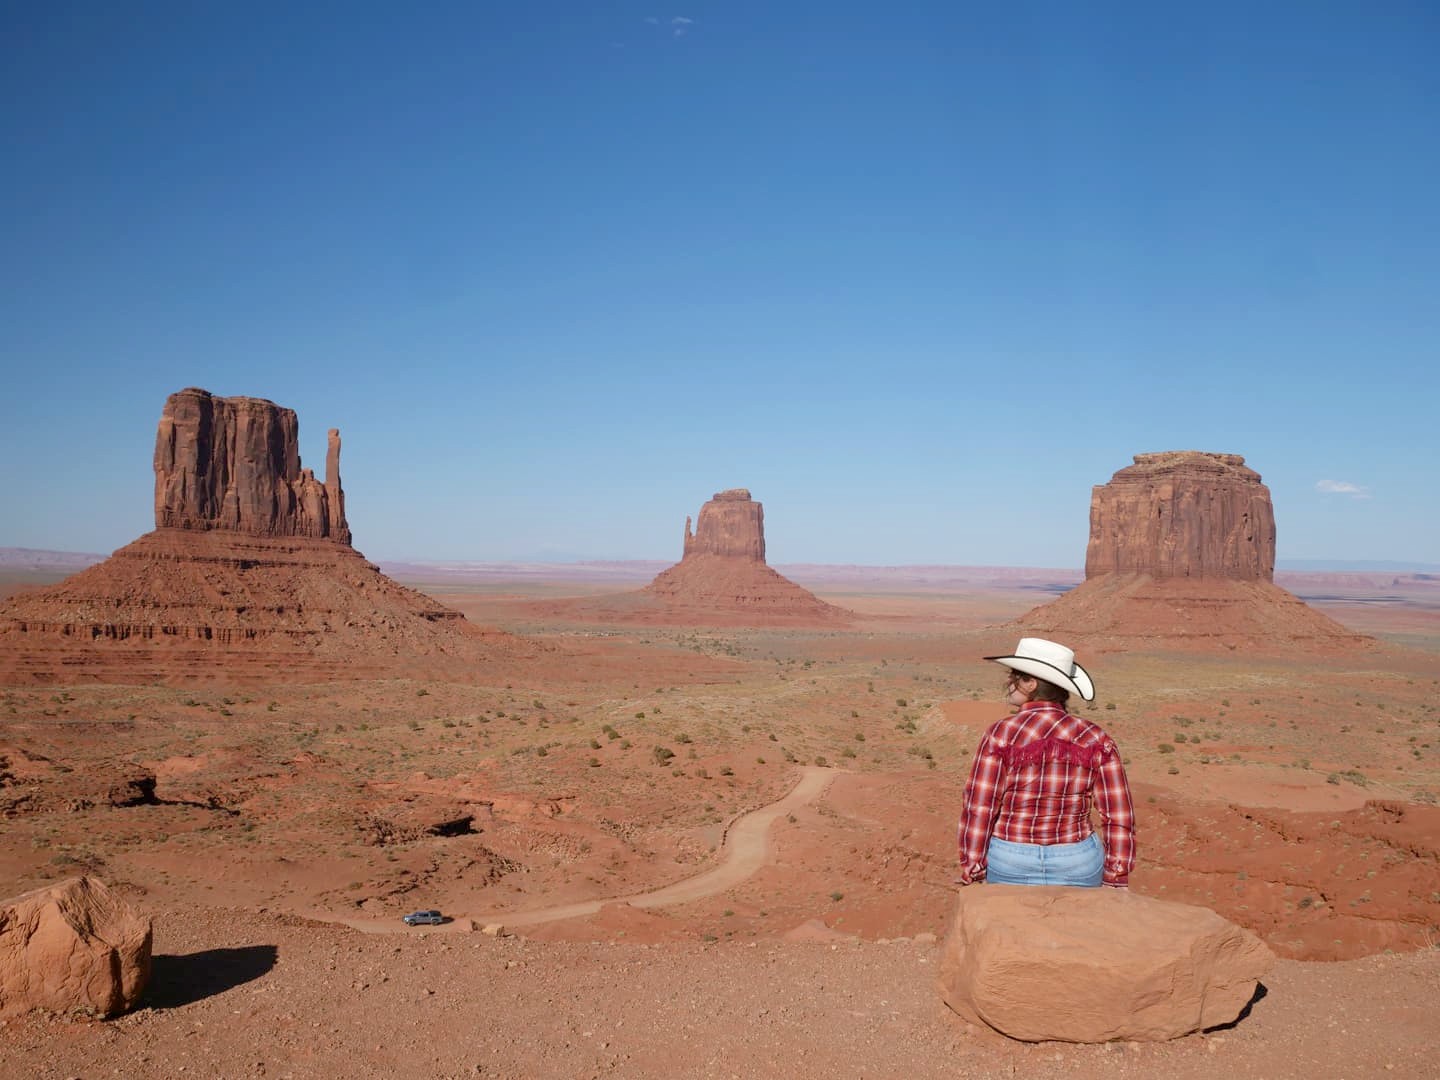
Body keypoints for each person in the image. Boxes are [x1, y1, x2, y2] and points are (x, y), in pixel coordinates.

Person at [956, 637, 1135, 889]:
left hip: (1011, 859)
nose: (1009, 683)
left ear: (1030, 683)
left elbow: (979, 806)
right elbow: (1118, 813)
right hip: (1076, 861)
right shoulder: (1095, 736)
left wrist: (973, 868)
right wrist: (1116, 877)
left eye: (1014, 677)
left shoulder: (1001, 733)